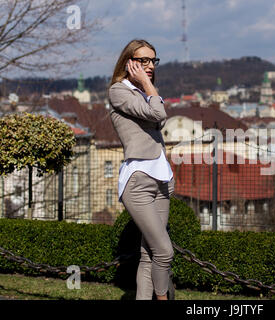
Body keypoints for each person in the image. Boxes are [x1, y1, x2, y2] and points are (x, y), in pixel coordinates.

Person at [108, 39, 175, 300]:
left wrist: (148, 88)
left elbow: (157, 114)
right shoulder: (119, 90)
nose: (149, 66)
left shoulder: (145, 92)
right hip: (138, 180)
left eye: (152, 61)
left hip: (162, 179)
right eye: (142, 60)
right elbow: (158, 115)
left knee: (150, 255)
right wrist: (149, 85)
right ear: (129, 62)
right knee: (164, 251)